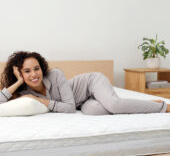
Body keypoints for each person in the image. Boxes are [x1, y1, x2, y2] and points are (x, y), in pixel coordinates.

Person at [0, 51, 169, 115]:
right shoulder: (23, 93)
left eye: (36, 68)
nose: (34, 74)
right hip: (83, 103)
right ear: (20, 73)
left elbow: (69, 107)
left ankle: (162, 106)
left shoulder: (56, 74)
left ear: (42, 68)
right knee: (94, 111)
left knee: (115, 105)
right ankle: (141, 105)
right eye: (27, 71)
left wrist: (44, 102)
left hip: (91, 83)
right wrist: (18, 82)